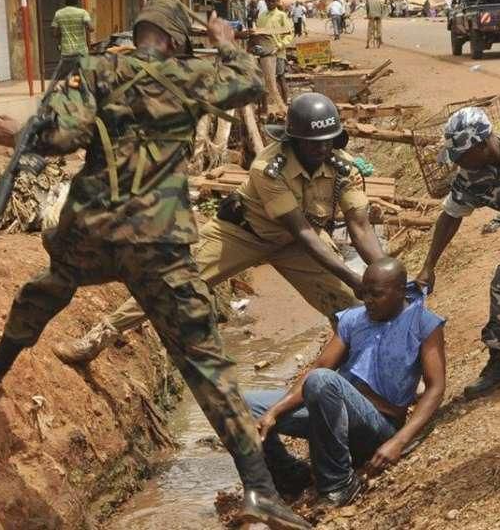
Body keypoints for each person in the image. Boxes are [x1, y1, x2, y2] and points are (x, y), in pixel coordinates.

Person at [0, 0, 310, 530]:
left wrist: (22, 132)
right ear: (177, 41)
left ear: (138, 32)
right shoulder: (192, 76)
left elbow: (62, 136)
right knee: (205, 365)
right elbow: (249, 82)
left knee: (51, 284)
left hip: (92, 234)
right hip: (160, 245)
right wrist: (225, 42)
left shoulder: (99, 69)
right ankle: (261, 491)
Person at [52, 92, 384, 365]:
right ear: (294, 141)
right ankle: (97, 338)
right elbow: (305, 234)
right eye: (314, 144)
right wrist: (353, 276)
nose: (323, 149)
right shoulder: (268, 169)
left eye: (329, 141)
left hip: (294, 244)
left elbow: (360, 226)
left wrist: (385, 272)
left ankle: (362, 371)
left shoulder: (343, 167)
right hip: (243, 233)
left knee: (346, 307)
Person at [246, 257, 446, 506]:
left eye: (377, 294)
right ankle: (289, 475)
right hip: (333, 409)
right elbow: (321, 365)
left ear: (399, 291)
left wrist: (399, 441)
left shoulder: (424, 323)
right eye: (364, 293)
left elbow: (436, 388)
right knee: (243, 404)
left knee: (323, 381)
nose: (368, 300)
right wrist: (274, 412)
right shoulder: (353, 319)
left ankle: (338, 484)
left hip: (378, 423)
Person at [414, 109, 500, 400]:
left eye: (462, 156)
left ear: (482, 144)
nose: (458, 164)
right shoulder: (470, 177)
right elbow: (451, 215)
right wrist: (429, 266)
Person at [256, 0, 293, 106]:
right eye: (268, 1)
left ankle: (285, 102)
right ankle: (267, 106)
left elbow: (289, 34)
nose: (271, 3)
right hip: (265, 54)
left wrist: (280, 45)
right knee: (266, 79)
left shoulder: (281, 16)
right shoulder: (262, 16)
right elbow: (258, 34)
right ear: (265, 2)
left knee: (280, 76)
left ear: (277, 1)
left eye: (273, 1)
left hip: (278, 52)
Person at [51, 0, 94, 78]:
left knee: (65, 75)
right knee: (85, 74)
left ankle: (64, 88)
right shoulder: (82, 13)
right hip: (81, 51)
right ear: (77, 2)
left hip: (66, 51)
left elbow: (54, 33)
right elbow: (91, 28)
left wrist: (63, 30)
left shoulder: (58, 13)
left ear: (65, 2)